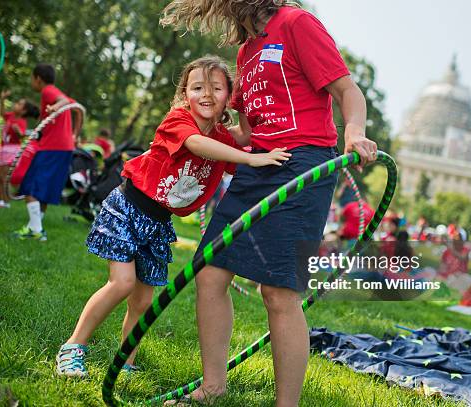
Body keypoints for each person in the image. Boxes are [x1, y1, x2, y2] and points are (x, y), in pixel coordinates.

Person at [160, 2, 377, 405]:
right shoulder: (247, 51)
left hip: (304, 164)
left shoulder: (297, 24)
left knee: (278, 291)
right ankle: (212, 387)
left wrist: (355, 134)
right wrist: (193, 137)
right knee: (208, 272)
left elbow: (347, 90)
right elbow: (248, 131)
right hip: (259, 166)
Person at [55, 55, 291, 377]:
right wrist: (251, 161)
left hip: (158, 223)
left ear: (228, 98)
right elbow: (198, 146)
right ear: (184, 95)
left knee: (142, 301)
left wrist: (244, 106)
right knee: (122, 283)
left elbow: (246, 137)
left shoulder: (223, 138)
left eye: (217, 89)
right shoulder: (178, 121)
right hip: (128, 207)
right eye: (197, 88)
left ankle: (126, 360)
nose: (206, 94)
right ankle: (73, 346)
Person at [13, 63, 82, 241]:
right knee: (44, 191)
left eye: (32, 78)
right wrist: (74, 134)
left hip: (52, 148)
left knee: (30, 186)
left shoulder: (48, 91)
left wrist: (55, 106)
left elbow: (65, 103)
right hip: (64, 148)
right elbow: (78, 110)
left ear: (38, 79)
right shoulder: (57, 92)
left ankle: (36, 230)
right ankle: (34, 227)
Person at [0, 90, 39, 208]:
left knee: (2, 178)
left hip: (12, 150)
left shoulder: (21, 122)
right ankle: (0, 201)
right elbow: (2, 113)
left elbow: (22, 135)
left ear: (23, 111)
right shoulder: (10, 116)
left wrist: (18, 131)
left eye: (19, 104)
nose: (16, 104)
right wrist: (2, 99)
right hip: (3, 149)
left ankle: (5, 202)